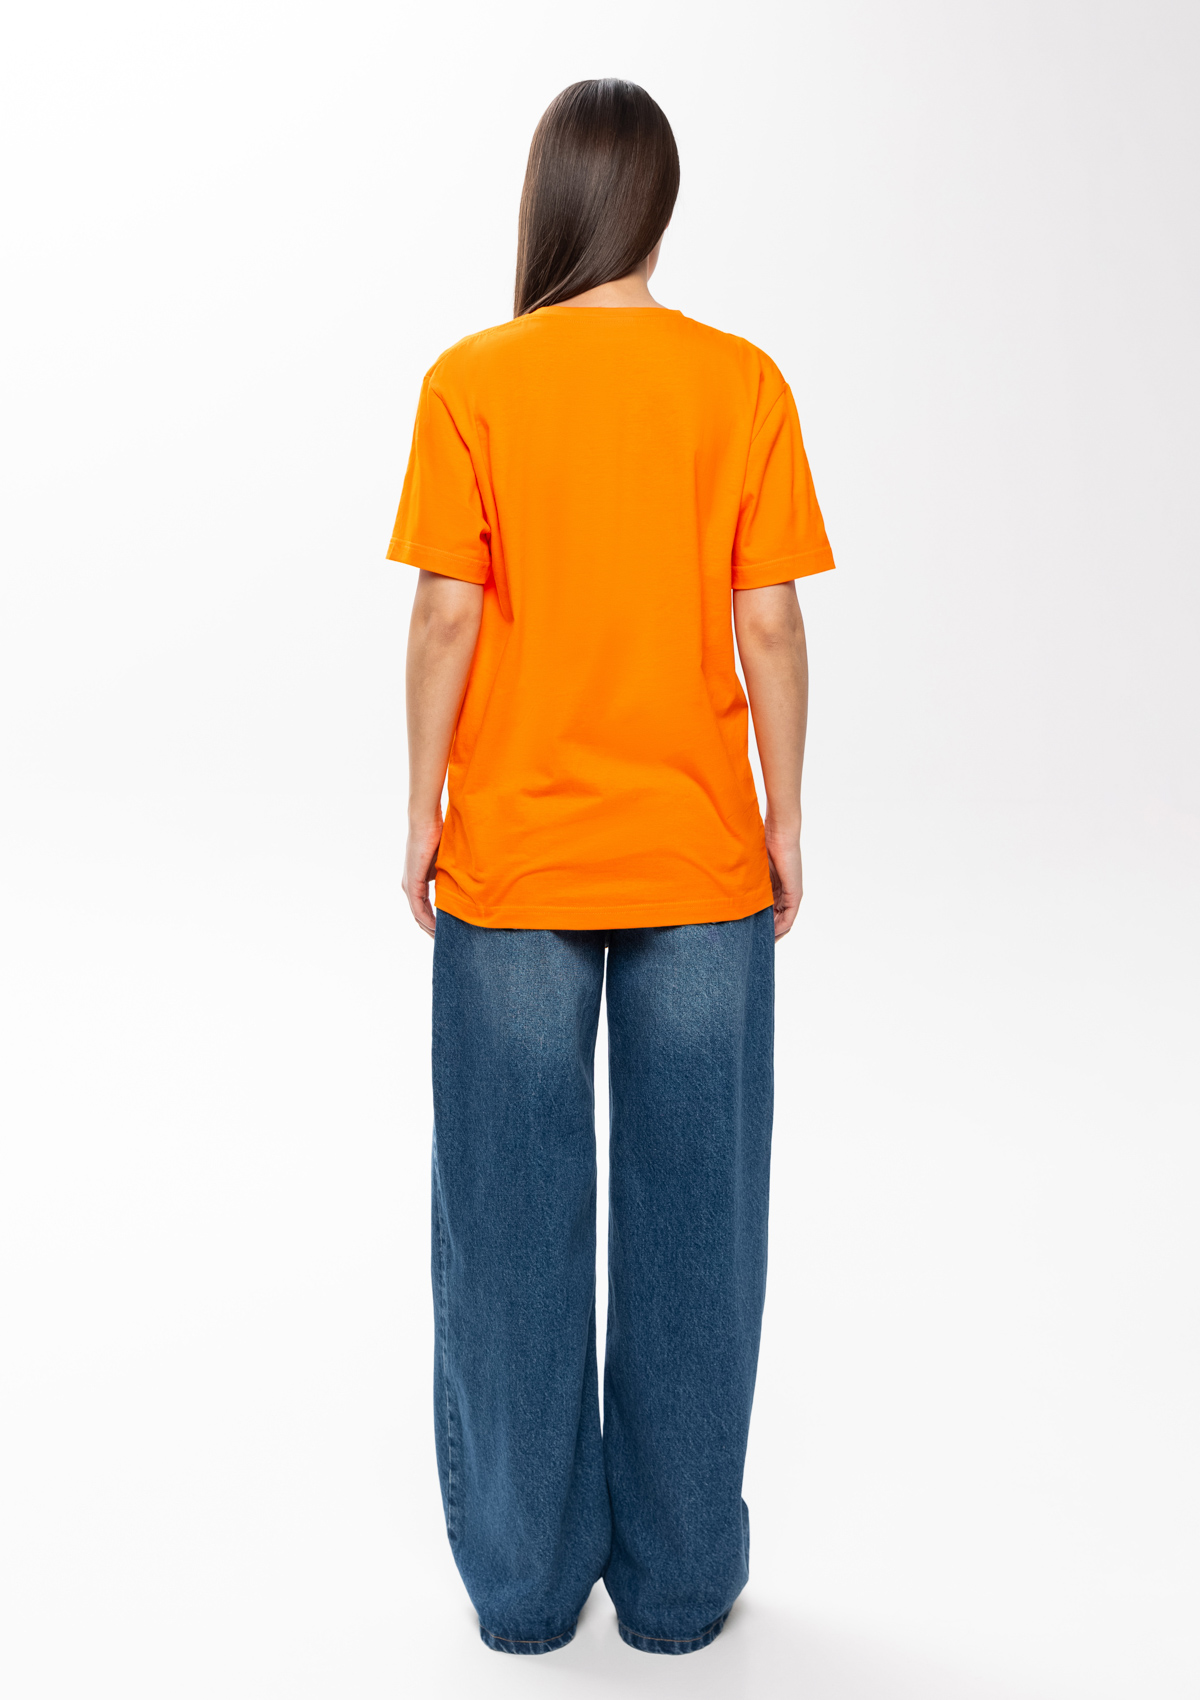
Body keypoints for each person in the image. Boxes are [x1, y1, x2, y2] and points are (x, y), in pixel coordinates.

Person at [388, 78, 835, 1657]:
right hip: (700, 858)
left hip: (515, 854)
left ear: (552, 201)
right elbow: (771, 623)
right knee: (697, 1229)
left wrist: (421, 807)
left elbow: (445, 614)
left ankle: (522, 1590)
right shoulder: (741, 382)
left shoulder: (474, 382)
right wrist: (785, 818)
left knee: (507, 1227)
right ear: (658, 203)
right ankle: (682, 1587)